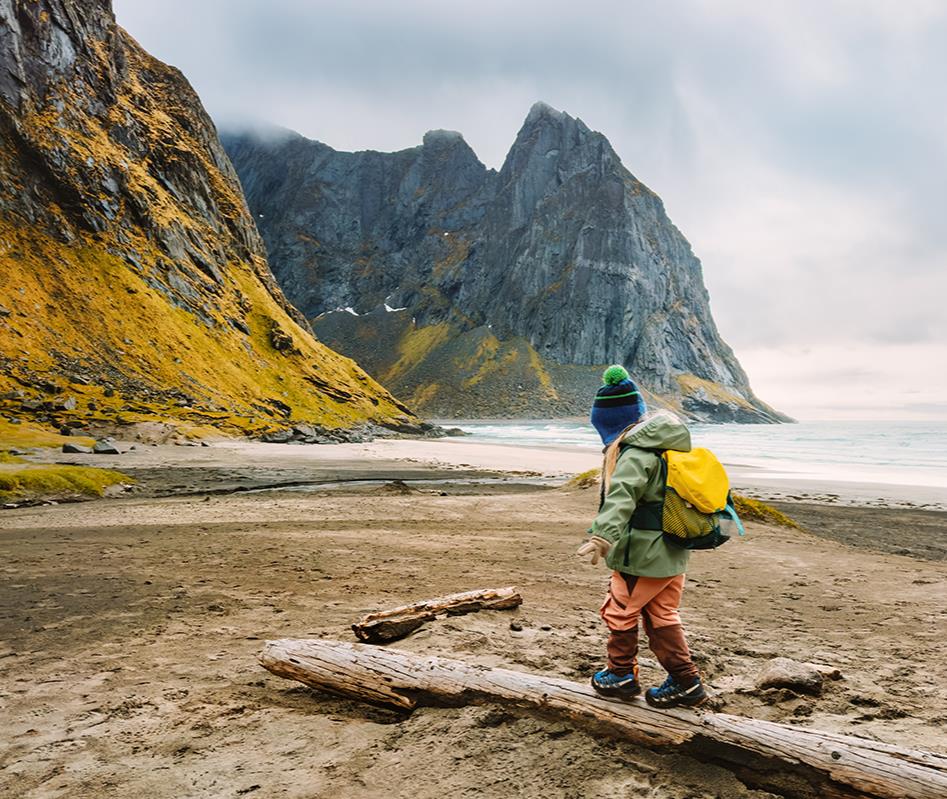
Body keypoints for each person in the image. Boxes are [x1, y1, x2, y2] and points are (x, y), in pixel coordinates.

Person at [577, 365, 706, 708]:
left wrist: (601, 537)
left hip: (642, 554)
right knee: (663, 613)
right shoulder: (667, 447)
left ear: (609, 424)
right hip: (672, 549)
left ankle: (621, 674)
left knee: (619, 608)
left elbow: (621, 498)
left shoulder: (634, 454)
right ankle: (685, 682)